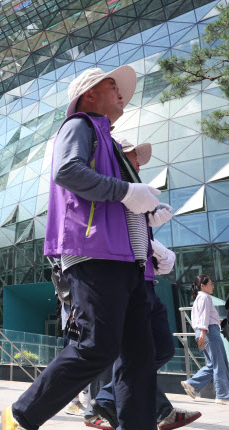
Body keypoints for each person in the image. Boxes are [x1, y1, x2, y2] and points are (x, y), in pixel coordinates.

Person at [2, 65, 172, 430]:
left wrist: (148, 224)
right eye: (113, 86)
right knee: (96, 347)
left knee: (141, 359)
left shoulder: (109, 141)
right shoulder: (79, 126)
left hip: (129, 263)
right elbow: (67, 171)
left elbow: (122, 208)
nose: (121, 93)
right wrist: (128, 192)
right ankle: (20, 415)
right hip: (95, 254)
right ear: (89, 95)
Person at [88, 141, 201, 429]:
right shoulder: (109, 187)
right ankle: (25, 411)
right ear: (117, 158)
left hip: (145, 281)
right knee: (126, 354)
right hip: (126, 282)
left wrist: (158, 250)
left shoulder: (137, 193)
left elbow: (137, 234)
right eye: (133, 157)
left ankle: (106, 400)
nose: (138, 163)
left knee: (161, 348)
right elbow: (110, 231)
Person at [181, 275, 229, 405]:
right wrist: (203, 332)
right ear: (203, 285)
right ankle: (222, 396)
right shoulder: (205, 297)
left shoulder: (198, 298)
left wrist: (201, 332)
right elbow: (204, 317)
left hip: (204, 332)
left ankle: (192, 384)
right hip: (209, 333)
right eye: (211, 284)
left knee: (214, 364)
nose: (213, 286)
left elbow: (203, 318)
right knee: (219, 364)